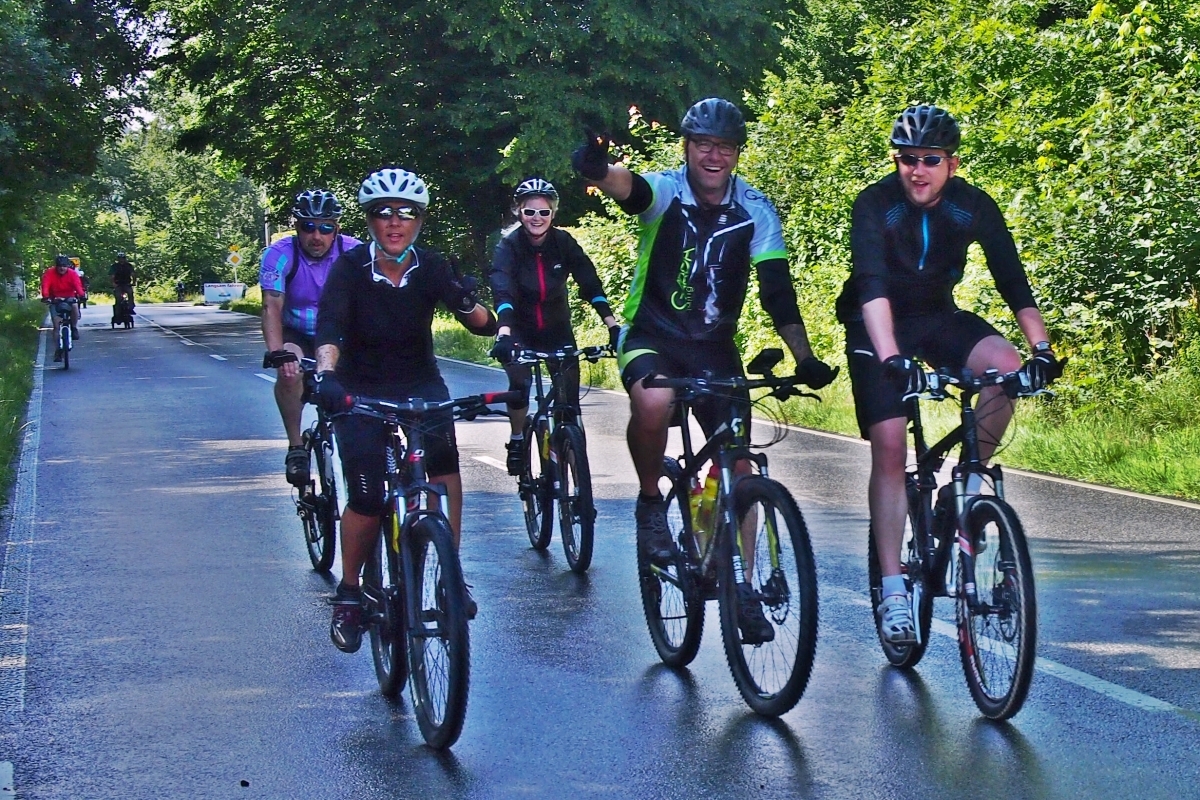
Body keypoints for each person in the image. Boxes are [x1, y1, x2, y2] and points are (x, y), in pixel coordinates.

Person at [573, 97, 837, 645]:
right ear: (687, 148)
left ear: (736, 152)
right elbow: (631, 189)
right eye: (703, 145)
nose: (713, 155)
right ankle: (651, 502)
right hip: (652, 336)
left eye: (724, 146)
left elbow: (778, 293)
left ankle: (737, 587)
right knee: (652, 402)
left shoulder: (756, 210)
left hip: (715, 348)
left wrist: (805, 357)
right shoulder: (667, 190)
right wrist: (597, 172)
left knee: (741, 473)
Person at [836, 104, 1063, 644]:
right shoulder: (874, 204)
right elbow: (871, 285)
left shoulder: (971, 207)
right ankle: (894, 591)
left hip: (938, 317)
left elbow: (1014, 283)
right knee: (891, 447)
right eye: (907, 159)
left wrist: (1042, 349)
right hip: (876, 327)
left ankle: (969, 477)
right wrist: (893, 359)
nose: (917, 169)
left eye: (930, 160)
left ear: (952, 164)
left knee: (1005, 368)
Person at [312, 167, 497, 653]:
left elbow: (483, 325)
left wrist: (466, 299)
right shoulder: (350, 267)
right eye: (384, 214)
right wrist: (327, 377)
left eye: (406, 214)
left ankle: (450, 571)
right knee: (369, 495)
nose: (395, 223)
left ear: (419, 221)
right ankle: (350, 592)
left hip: (418, 380)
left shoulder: (432, 265)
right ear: (371, 221)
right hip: (358, 387)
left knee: (443, 461)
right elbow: (329, 328)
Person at [488, 178, 620, 474]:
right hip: (519, 330)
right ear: (518, 212)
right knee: (520, 386)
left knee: (568, 408)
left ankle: (577, 489)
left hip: (557, 328)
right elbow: (503, 290)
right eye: (529, 212)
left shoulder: (564, 243)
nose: (537, 218)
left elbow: (590, 282)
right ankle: (518, 438)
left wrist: (612, 325)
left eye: (543, 212)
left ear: (553, 214)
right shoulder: (509, 246)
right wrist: (505, 332)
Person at [259, 189, 361, 486]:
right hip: (298, 332)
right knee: (289, 368)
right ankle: (296, 447)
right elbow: (271, 306)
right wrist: (277, 352)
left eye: (326, 227)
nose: (317, 235)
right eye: (309, 227)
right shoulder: (279, 254)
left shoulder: (354, 252)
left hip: (340, 331)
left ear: (336, 228)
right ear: (297, 227)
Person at [41, 255, 85, 361]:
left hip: (69, 297)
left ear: (68, 266)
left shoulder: (72, 274)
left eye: (64, 266)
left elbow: (77, 286)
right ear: (56, 266)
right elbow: (45, 285)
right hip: (54, 298)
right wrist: (46, 296)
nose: (62, 268)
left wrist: (81, 295)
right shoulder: (50, 273)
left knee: (74, 306)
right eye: (60, 266)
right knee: (56, 326)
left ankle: (74, 327)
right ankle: (57, 350)